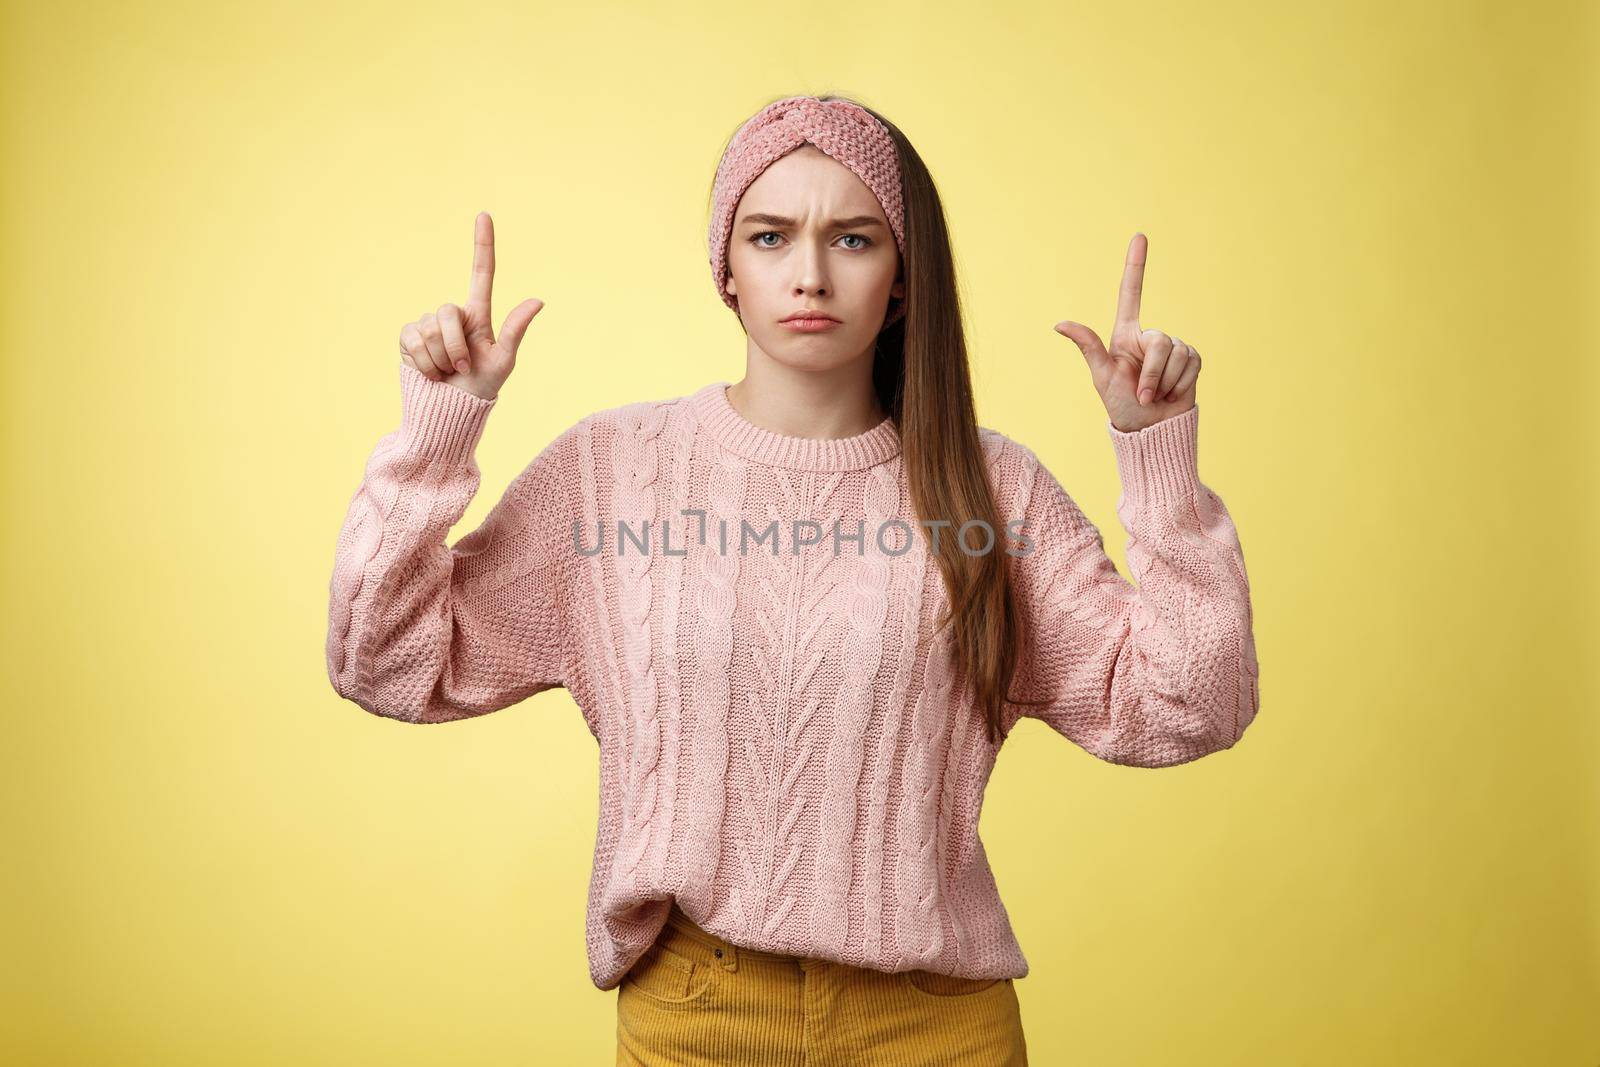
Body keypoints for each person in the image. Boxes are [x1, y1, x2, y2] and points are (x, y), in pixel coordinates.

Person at [325, 93, 1260, 1067]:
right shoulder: (611, 473)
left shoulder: (991, 489)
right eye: (771, 235)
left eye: (853, 239)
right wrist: (437, 429)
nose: (810, 273)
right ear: (726, 266)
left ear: (902, 277)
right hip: (695, 1011)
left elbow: (1191, 705)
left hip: (933, 1023)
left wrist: (1156, 452)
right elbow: (383, 663)